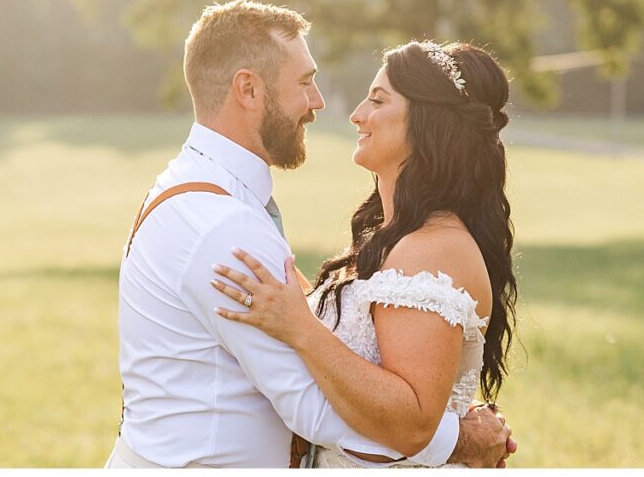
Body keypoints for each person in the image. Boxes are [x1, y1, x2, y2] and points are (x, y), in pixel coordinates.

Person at [105, 0, 513, 468]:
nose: (323, 103)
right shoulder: (222, 222)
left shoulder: (194, 190)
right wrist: (458, 440)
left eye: (376, 100)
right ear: (249, 90)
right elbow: (309, 405)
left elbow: (317, 340)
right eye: (304, 82)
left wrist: (301, 325)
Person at [209, 40, 518, 468]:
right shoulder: (397, 240)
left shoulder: (432, 249)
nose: (357, 114)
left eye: (378, 100)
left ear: (428, 121)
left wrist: (299, 327)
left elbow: (411, 423)